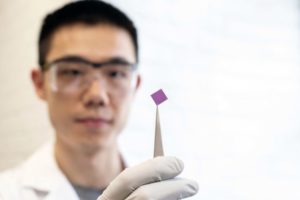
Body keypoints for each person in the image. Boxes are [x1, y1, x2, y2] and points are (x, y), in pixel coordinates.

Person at [0, 1, 199, 199]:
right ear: (40, 84)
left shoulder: (166, 191)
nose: (97, 96)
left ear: (135, 85)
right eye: (73, 71)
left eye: (115, 74)